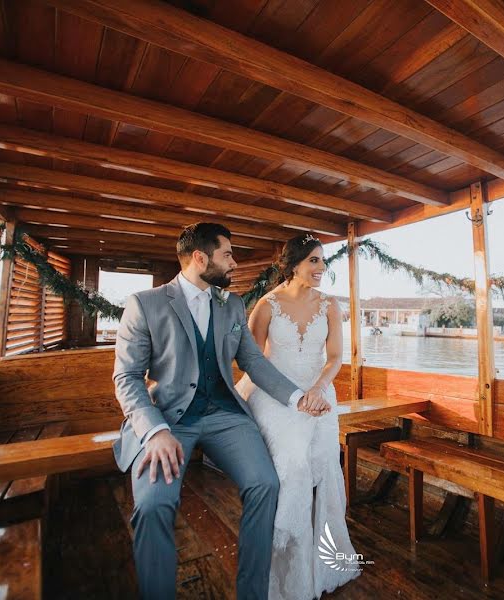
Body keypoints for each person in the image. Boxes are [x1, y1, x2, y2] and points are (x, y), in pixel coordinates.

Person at [112, 222, 329, 599]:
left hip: (226, 415)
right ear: (200, 258)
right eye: (227, 254)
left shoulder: (232, 305)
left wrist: (298, 398)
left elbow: (254, 363)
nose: (234, 262)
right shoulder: (145, 304)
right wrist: (155, 431)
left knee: (265, 484)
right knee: (152, 505)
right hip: (167, 421)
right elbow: (127, 377)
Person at [237, 233, 361, 599]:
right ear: (294, 265)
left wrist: (319, 390)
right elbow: (251, 360)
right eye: (314, 261)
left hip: (319, 393)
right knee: (292, 464)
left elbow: (336, 357)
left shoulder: (330, 306)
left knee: (323, 462)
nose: (322, 268)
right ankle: (282, 564)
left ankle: (322, 562)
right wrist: (292, 396)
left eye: (323, 260)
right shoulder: (266, 305)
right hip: (274, 394)